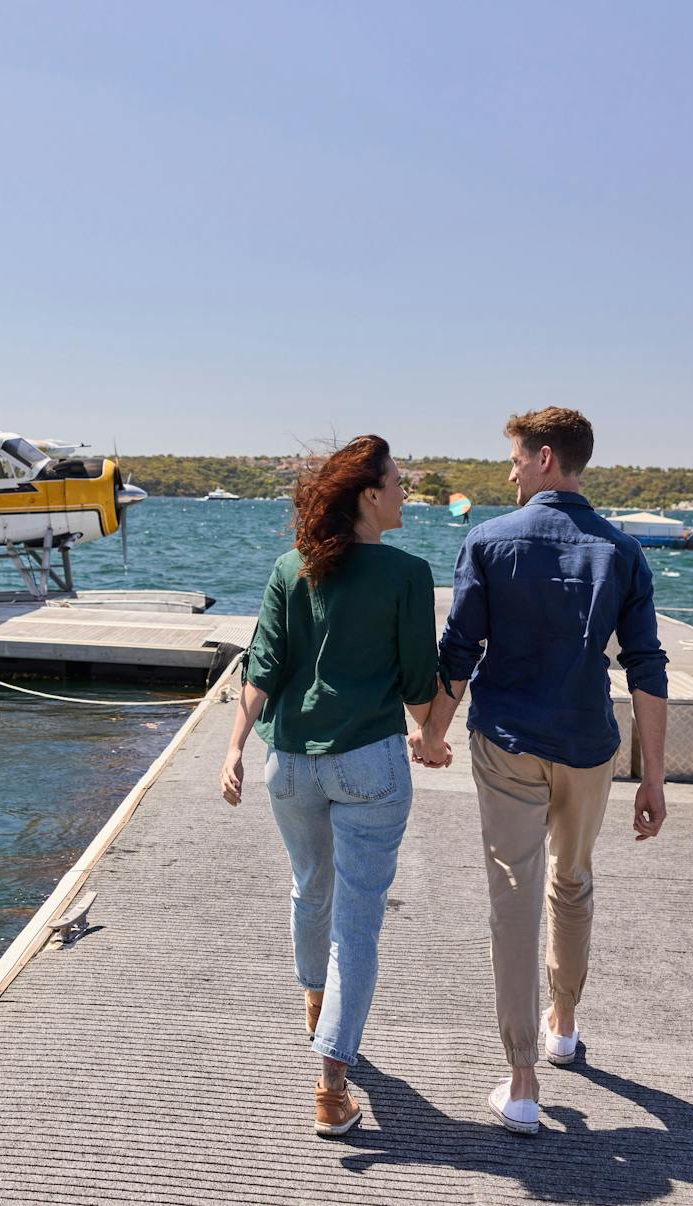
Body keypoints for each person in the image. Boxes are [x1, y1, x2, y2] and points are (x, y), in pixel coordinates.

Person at [413, 407, 669, 1136]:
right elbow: (646, 665)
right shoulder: (622, 551)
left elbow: (459, 649)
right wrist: (653, 778)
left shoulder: (489, 541)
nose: (510, 474)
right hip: (589, 744)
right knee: (573, 880)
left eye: (516, 460)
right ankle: (563, 1024)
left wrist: (433, 732)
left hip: (508, 741)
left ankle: (522, 1080)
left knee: (515, 898)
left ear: (546, 457)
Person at [220, 435, 443, 1139]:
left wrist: (233, 749)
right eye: (398, 483)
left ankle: (317, 1006)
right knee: (358, 920)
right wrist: (433, 734)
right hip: (368, 762)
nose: (406, 493)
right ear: (370, 496)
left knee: (309, 887)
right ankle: (330, 1085)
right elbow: (419, 681)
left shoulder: (293, 567)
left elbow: (261, 664)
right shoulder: (408, 574)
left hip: (288, 761)